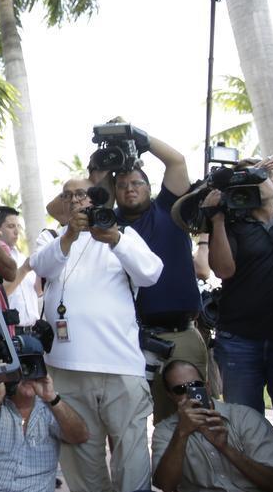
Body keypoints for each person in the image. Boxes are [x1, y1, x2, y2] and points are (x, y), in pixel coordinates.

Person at [29, 178, 164, 492]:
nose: (76, 200)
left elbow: (151, 273)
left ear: (96, 199)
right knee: (80, 461)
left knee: (130, 460)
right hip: (65, 369)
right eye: (69, 195)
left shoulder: (123, 234)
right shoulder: (52, 236)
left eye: (83, 194)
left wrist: (115, 238)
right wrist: (70, 236)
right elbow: (40, 266)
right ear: (63, 203)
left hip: (119, 367)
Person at [108, 122, 210, 425]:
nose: (130, 189)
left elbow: (176, 161)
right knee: (130, 423)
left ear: (149, 188)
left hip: (182, 335)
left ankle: (194, 474)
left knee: (194, 417)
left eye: (137, 183)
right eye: (122, 185)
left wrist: (137, 136)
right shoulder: (105, 224)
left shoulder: (169, 209)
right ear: (113, 192)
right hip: (130, 338)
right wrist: (102, 161)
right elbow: (62, 205)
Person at [200, 154, 273, 421]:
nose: (256, 183)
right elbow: (223, 270)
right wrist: (218, 220)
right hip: (239, 339)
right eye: (247, 179)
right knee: (245, 424)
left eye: (260, 177)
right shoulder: (232, 223)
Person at [151, 360, 273, 492]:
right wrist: (181, 433)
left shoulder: (246, 418)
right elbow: (163, 487)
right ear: (171, 396)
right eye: (180, 389)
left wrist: (225, 448)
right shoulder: (165, 431)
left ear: (207, 387)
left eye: (196, 385)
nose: (190, 394)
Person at [0, 373, 89, 492]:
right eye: (21, 371)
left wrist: (52, 398)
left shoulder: (49, 407)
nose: (28, 377)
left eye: (32, 369)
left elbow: (80, 436)